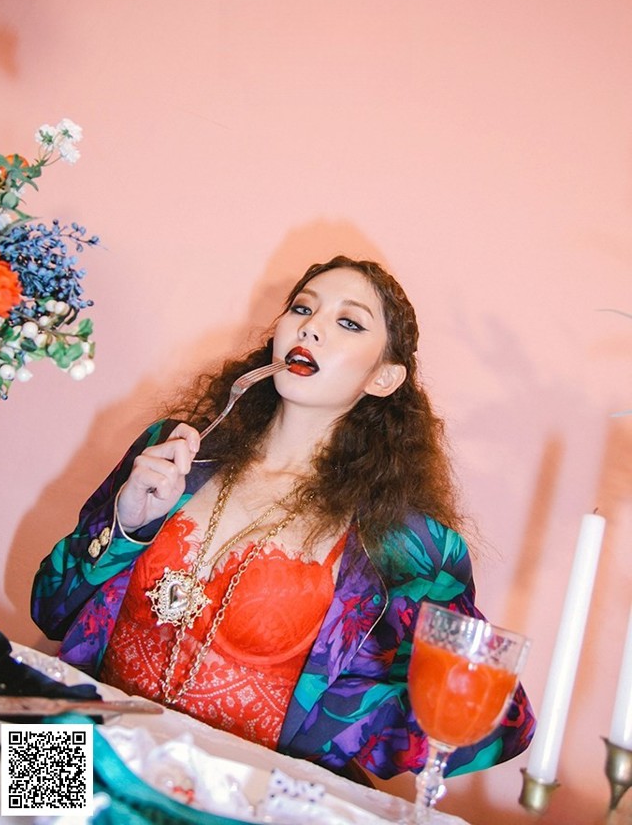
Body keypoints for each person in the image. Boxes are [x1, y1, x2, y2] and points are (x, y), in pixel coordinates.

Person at [31, 255, 535, 781]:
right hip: (71, 751)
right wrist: (128, 526)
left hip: (236, 799)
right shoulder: (175, 451)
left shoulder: (408, 545)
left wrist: (347, 717)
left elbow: (504, 725)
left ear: (384, 378)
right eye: (302, 308)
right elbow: (49, 607)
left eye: (348, 322)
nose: (311, 327)